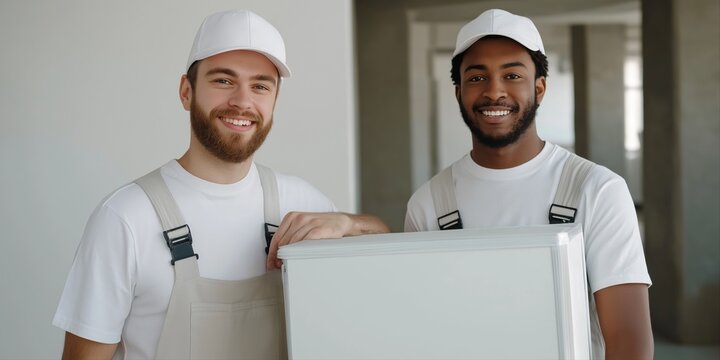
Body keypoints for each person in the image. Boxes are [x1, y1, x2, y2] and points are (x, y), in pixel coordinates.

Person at [53, 9, 388, 359]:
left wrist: (348, 223)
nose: (242, 102)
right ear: (186, 91)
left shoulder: (299, 202)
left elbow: (391, 249)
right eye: (223, 81)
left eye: (260, 86)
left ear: (274, 101)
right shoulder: (125, 218)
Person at [404, 9, 653, 359]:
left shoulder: (596, 190)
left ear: (539, 88)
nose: (494, 92)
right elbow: (423, 326)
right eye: (477, 78)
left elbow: (630, 339)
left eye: (512, 75)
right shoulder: (429, 203)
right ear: (458, 92)